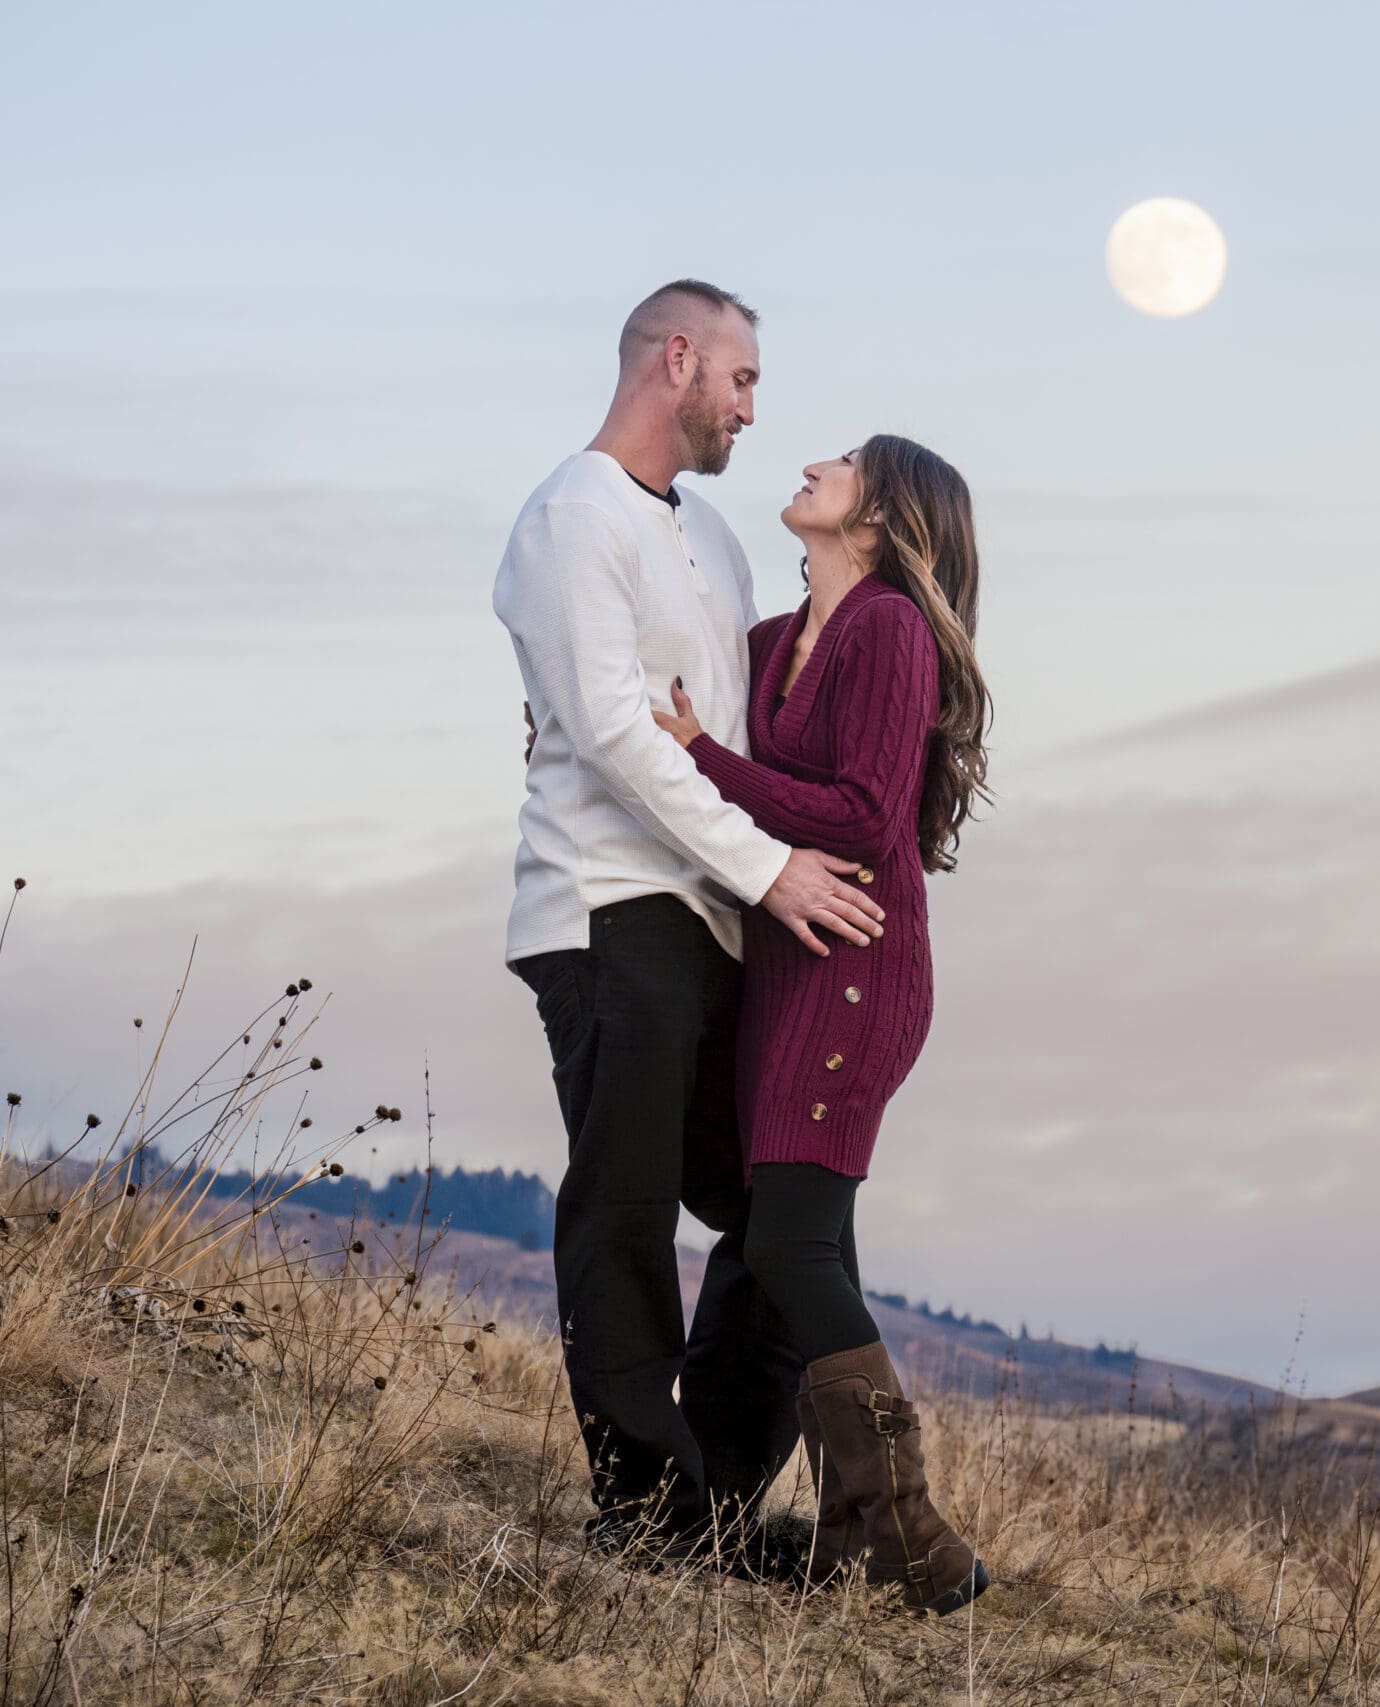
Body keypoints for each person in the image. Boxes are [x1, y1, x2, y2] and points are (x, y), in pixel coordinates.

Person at [492, 279, 887, 1572]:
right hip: (610, 907)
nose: (752, 409)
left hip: (721, 917)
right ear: (678, 360)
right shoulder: (568, 520)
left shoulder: (713, 535)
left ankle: (705, 1504)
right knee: (627, 1203)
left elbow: (748, 717)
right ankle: (638, 1506)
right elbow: (613, 733)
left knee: (784, 1220)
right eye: (742, 380)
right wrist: (774, 868)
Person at [648, 433, 994, 1614]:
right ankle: (824, 1527)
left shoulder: (887, 628)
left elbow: (857, 811)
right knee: (798, 1235)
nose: (807, 461)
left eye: (839, 462)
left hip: (855, 962)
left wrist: (697, 751)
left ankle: (906, 1523)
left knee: (792, 1244)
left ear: (882, 517)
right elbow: (682, 762)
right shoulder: (770, 644)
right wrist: (600, 752)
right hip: (783, 966)